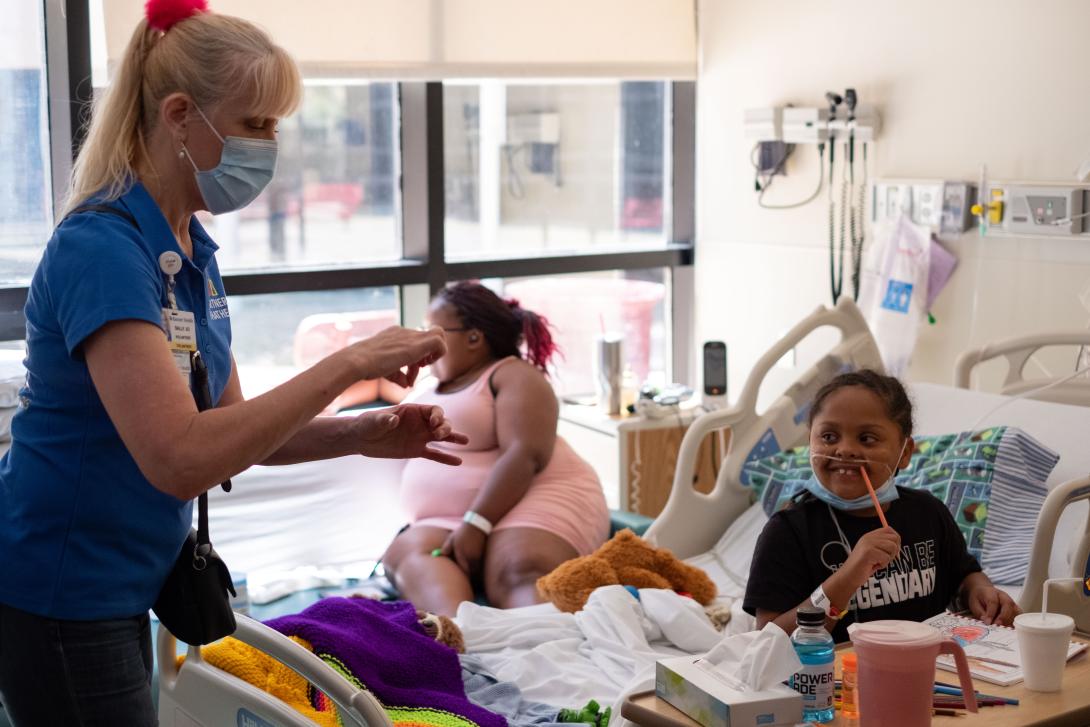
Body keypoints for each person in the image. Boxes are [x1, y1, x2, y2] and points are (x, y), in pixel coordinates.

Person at [0, 2, 466, 724]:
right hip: (64, 591)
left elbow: (229, 429)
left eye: (276, 126)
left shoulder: (191, 253)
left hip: (128, 581)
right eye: (256, 125)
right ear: (181, 115)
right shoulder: (102, 250)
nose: (270, 147)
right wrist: (350, 363)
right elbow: (181, 459)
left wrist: (363, 432)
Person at [382, 282, 611, 616]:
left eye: (433, 331)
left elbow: (526, 454)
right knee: (408, 555)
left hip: (534, 497)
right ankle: (464, 641)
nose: (423, 340)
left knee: (518, 569)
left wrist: (477, 523)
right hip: (451, 519)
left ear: (474, 338)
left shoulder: (511, 374)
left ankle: (538, 647)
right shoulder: (431, 387)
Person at [743, 369, 1019, 642]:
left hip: (928, 672)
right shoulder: (788, 531)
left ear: (905, 453)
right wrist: (848, 577)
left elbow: (965, 575)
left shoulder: (928, 513)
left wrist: (981, 592)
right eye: (829, 437)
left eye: (867, 439)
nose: (846, 449)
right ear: (810, 443)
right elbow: (769, 642)